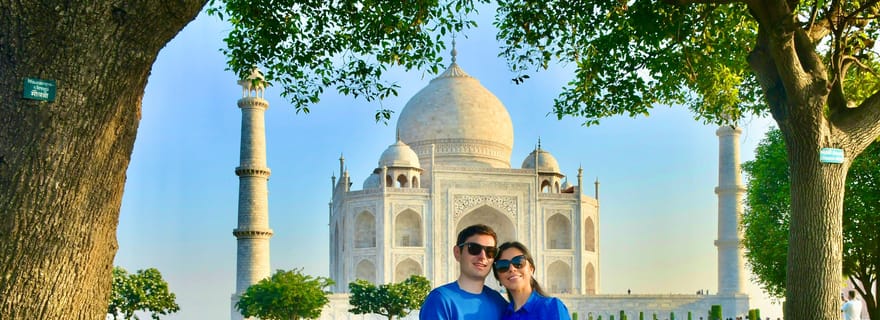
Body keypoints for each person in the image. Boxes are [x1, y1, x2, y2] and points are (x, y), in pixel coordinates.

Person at [420, 224, 508, 319]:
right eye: (474, 249)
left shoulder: (498, 302)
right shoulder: (441, 300)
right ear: (457, 252)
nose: (483, 256)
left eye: (490, 251)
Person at [492, 241, 571, 319]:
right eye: (503, 265)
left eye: (518, 262)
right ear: (498, 277)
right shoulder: (504, 316)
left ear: (531, 269)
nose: (512, 269)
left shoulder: (551, 307)